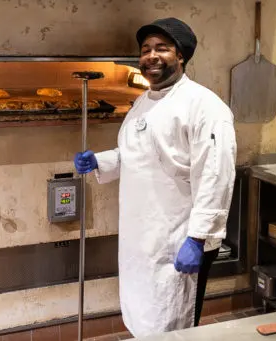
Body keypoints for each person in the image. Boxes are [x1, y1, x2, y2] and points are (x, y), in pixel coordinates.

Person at [74, 17, 237, 337]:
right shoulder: (143, 102)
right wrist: (100, 161)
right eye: (146, 49)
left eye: (162, 48)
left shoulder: (205, 106)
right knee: (144, 316)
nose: (151, 56)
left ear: (181, 56)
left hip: (179, 236)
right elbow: (141, 156)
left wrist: (198, 238)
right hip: (141, 236)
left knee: (172, 321)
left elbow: (217, 174)